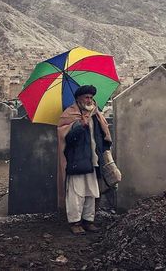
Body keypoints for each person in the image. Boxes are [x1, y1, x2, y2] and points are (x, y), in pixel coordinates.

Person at [57, 85, 112, 235]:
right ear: (78, 99)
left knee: (91, 192)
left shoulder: (95, 114)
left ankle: (89, 221)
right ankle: (75, 222)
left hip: (93, 159)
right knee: (76, 193)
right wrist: (79, 126)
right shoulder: (70, 114)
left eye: (91, 97)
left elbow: (103, 134)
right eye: (86, 97)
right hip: (76, 159)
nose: (89, 100)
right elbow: (65, 137)